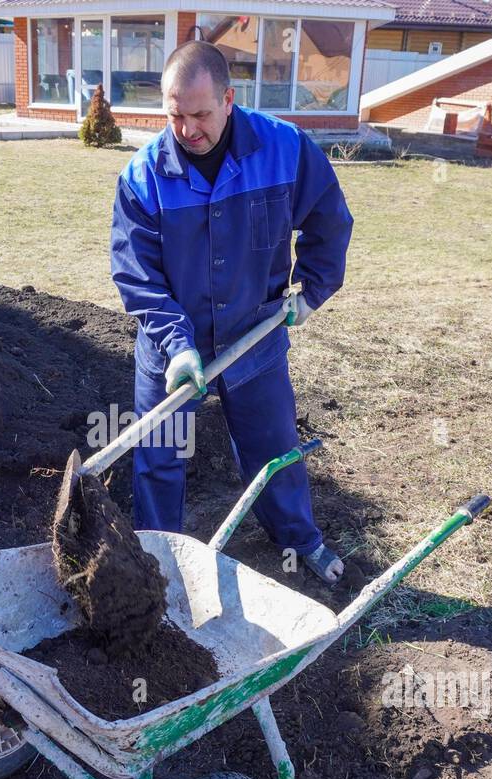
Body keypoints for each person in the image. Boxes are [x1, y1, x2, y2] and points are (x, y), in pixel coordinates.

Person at [110, 40, 354, 585]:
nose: (187, 130)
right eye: (175, 115)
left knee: (273, 449)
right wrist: (176, 346)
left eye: (199, 114)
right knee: (160, 457)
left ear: (228, 99)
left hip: (255, 337)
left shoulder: (284, 149)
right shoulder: (144, 177)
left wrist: (311, 292)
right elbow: (137, 276)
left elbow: (330, 221)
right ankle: (158, 561)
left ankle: (299, 540)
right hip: (172, 352)